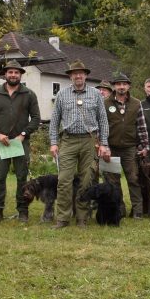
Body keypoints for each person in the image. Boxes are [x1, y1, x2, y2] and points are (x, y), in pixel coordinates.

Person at [49, 60, 110, 228]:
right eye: (74, 73)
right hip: (68, 140)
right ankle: (62, 218)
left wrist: (103, 144)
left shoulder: (96, 94)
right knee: (64, 180)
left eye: (81, 73)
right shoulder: (62, 94)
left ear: (86, 75)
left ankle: (82, 218)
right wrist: (54, 143)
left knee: (86, 180)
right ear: (70, 76)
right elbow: (54, 121)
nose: (78, 75)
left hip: (89, 141)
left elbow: (103, 121)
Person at [0, 60, 41, 222]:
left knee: (21, 177)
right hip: (1, 142)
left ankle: (23, 210)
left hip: (20, 142)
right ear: (5, 74)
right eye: (10, 72)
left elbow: (36, 118)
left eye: (16, 72)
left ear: (20, 75)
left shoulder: (29, 94)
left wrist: (24, 134)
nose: (13, 75)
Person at [104, 72, 149, 219]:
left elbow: (142, 126)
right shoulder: (105, 103)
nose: (121, 87)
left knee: (133, 179)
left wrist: (145, 146)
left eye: (124, 84)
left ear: (128, 86)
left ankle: (137, 211)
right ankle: (119, 209)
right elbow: (101, 126)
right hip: (111, 147)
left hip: (130, 148)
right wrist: (103, 146)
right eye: (118, 84)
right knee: (113, 181)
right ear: (114, 86)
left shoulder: (136, 103)